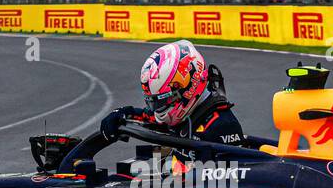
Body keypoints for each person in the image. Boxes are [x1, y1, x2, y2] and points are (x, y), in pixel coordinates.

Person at [100, 40, 244, 147]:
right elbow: (149, 117)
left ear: (189, 87)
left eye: (163, 101)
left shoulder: (222, 126)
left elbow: (226, 183)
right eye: (153, 102)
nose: (158, 108)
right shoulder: (187, 115)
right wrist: (122, 113)